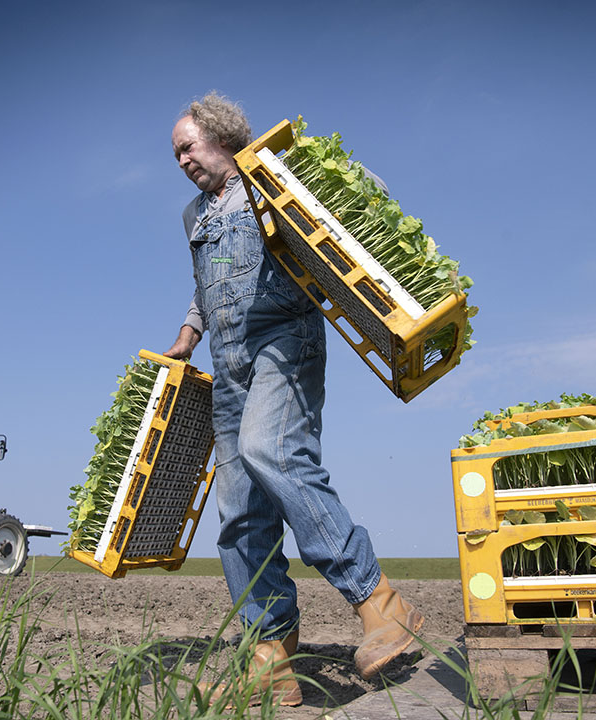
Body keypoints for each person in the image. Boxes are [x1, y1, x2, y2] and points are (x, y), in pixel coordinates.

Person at [164, 92, 423, 707]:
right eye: (175, 154)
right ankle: (270, 658)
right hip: (226, 363)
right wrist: (186, 336)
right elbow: (204, 287)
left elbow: (363, 195)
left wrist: (316, 169)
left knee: (271, 449)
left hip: (286, 339)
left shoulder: (271, 175)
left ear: (222, 136)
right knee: (238, 512)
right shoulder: (192, 216)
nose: (181, 161)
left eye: (187, 147)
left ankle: (379, 602)